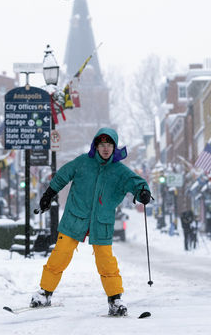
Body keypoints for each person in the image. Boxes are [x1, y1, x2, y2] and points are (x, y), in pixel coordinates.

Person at [30, 128, 152, 317]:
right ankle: (44, 293)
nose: (105, 148)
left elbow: (137, 183)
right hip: (74, 217)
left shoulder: (119, 171)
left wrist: (143, 192)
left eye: (109, 145)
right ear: (96, 146)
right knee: (59, 256)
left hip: (101, 222)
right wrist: (49, 194)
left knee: (106, 262)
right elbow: (63, 175)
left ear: (114, 147)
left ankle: (115, 299)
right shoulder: (82, 162)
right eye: (102, 144)